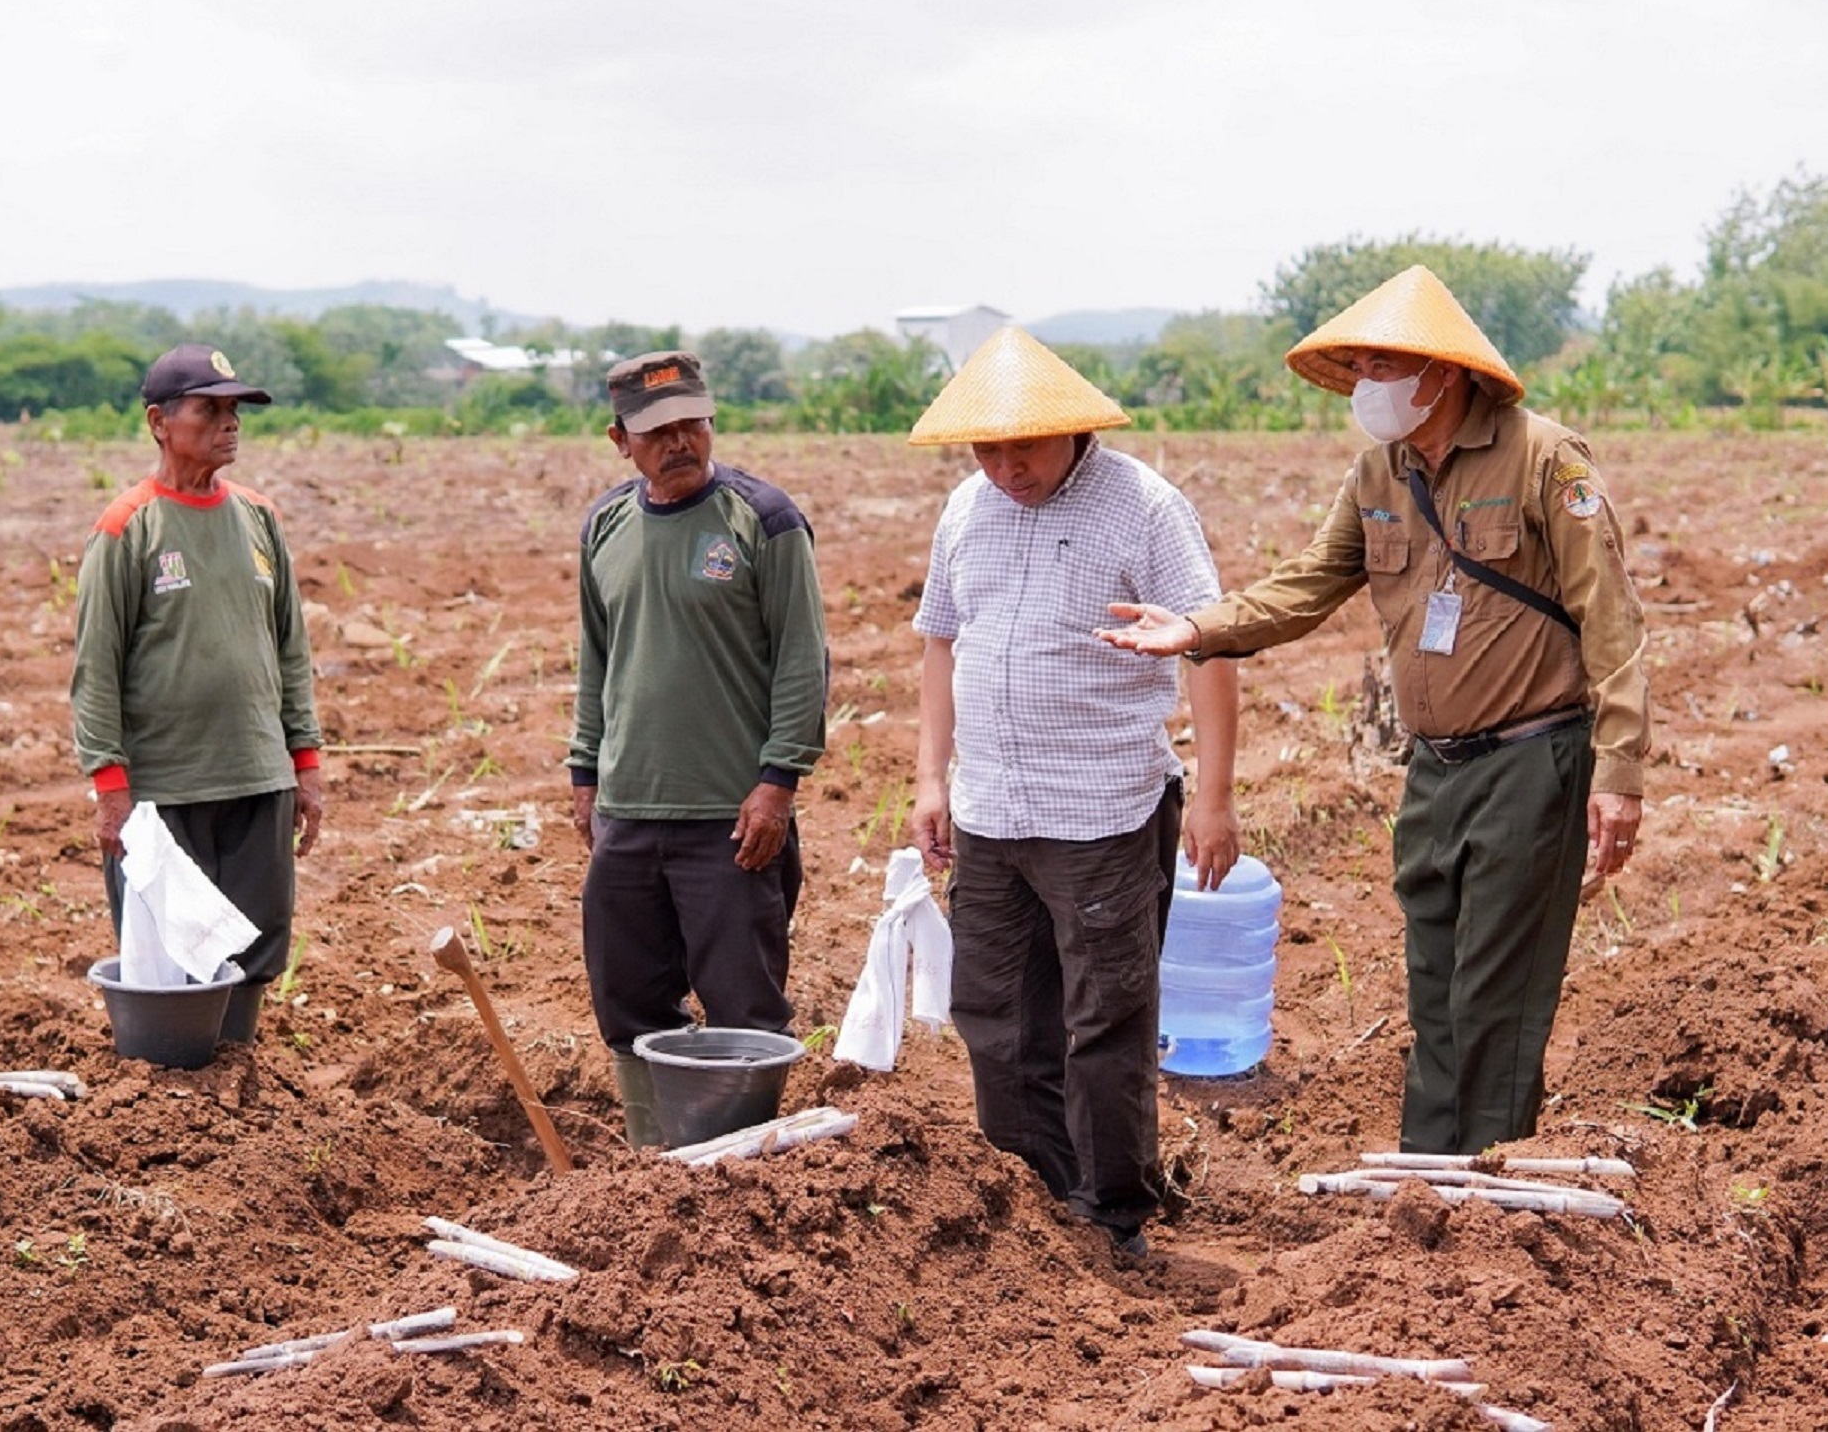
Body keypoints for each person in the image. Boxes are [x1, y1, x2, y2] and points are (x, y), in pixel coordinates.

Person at [1101, 264, 1648, 1155]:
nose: (1369, 387)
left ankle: (1488, 1174)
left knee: (1496, 989)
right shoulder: (1377, 475)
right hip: (1434, 769)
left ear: (1444, 373)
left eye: (1384, 366)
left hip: (1532, 759)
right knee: (1434, 980)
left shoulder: (1546, 460)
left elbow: (1613, 624)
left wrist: (1620, 775)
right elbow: (1307, 585)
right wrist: (1198, 627)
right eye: (1359, 368)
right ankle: (1429, 1169)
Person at [904, 326, 1239, 1262]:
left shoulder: (1143, 507)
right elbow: (941, 641)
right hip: (990, 811)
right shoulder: (967, 510)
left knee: (1105, 1019)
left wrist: (1213, 796)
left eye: (1026, 447)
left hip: (1103, 810)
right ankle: (1033, 1197)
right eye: (988, 449)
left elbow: (1208, 642)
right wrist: (933, 776)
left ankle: (1114, 1210)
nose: (1006, 468)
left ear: (1073, 432)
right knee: (997, 1017)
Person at [568, 349, 829, 1147]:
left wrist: (778, 782)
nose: (680, 443)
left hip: (730, 816)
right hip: (629, 806)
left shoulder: (764, 519)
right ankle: (661, 1153)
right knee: (626, 995)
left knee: (745, 1002)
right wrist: (585, 769)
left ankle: (744, 1169)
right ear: (621, 440)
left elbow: (803, 660)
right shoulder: (606, 526)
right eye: (658, 432)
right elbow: (596, 657)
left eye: (693, 425)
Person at [71, 344, 325, 1042]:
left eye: (235, 410)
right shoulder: (128, 529)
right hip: (165, 789)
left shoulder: (258, 518)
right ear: (159, 421)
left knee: (253, 945)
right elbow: (97, 669)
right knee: (165, 952)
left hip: (256, 778)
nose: (229, 423)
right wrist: (111, 789)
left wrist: (304, 767)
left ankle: (235, 1069)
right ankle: (168, 1090)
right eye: (209, 409)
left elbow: (290, 649)